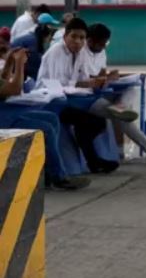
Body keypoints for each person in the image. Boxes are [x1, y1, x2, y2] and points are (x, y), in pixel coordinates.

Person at [0, 47, 91, 191]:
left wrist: (10, 61)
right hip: (4, 119)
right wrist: (19, 64)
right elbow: (14, 89)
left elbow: (3, 82)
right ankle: (59, 177)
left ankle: (48, 174)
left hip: (7, 113)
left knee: (51, 118)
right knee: (46, 129)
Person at [36, 18, 118, 174]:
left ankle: (93, 161)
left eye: (81, 38)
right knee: (93, 121)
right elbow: (57, 85)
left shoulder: (76, 53)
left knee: (96, 122)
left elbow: (73, 82)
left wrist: (94, 82)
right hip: (50, 100)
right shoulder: (56, 51)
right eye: (74, 36)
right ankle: (93, 160)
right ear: (65, 35)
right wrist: (86, 85)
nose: (78, 41)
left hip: (65, 96)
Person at [78, 23, 146, 165]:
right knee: (121, 117)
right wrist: (105, 79)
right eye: (101, 44)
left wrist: (109, 77)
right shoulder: (80, 53)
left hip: (101, 91)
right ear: (90, 41)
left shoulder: (101, 51)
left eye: (106, 43)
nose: (104, 47)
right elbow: (83, 81)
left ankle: (120, 106)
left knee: (131, 89)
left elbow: (100, 74)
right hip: (88, 97)